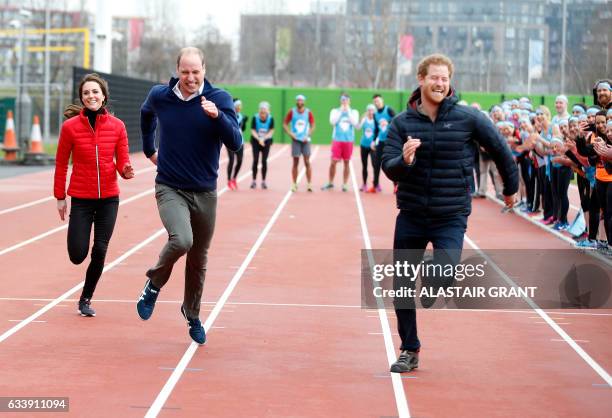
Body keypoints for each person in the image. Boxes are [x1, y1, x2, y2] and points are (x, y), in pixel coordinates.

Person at [381, 53, 518, 373]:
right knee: (401, 285)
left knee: (442, 271)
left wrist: (510, 188)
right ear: (421, 79)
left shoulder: (468, 118)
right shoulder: (402, 123)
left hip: (451, 214)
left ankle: (433, 282)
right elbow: (388, 167)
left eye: (445, 78)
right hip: (412, 213)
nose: (440, 83)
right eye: (434, 78)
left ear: (449, 82)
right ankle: (409, 349)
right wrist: (404, 161)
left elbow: (499, 148)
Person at [137, 47, 242, 344]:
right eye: (185, 72)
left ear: (204, 70)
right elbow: (146, 114)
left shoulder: (219, 99)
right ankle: (153, 285)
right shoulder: (161, 96)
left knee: (199, 257)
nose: (190, 77)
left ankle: (192, 313)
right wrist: (149, 149)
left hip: (205, 192)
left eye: (196, 72)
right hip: (170, 186)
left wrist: (217, 116)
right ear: (177, 71)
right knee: (182, 240)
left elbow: (235, 142)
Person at [54, 73, 134, 317]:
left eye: (95, 92)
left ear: (103, 96)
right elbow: (60, 164)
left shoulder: (118, 126)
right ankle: (82, 272)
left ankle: (86, 298)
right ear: (82, 97)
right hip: (81, 198)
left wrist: (126, 171)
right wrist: (60, 196)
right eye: (86, 92)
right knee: (78, 255)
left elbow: (123, 161)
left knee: (100, 249)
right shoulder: (70, 128)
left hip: (109, 198)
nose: (91, 96)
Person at [321, 93, 359, 192]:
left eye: (346, 100)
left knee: (347, 162)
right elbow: (332, 122)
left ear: (349, 101)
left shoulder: (354, 112)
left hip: (348, 140)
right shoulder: (335, 111)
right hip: (337, 140)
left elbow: (355, 124)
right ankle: (330, 182)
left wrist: (348, 112)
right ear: (340, 101)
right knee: (333, 162)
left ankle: (345, 184)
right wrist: (341, 111)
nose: (344, 102)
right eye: (343, 100)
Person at [283, 94, 315, 192]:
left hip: (305, 140)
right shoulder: (292, 112)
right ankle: (294, 184)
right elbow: (284, 124)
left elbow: (313, 125)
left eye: (301, 101)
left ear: (304, 102)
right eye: (298, 100)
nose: (300, 102)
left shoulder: (308, 112)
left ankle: (309, 183)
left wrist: (308, 135)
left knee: (307, 161)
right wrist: (290, 133)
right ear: (296, 102)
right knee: (295, 162)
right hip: (296, 140)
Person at [370, 94, 396, 193]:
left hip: (390, 141)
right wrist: (373, 140)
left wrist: (388, 122)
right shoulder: (375, 115)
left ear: (382, 101)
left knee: (392, 164)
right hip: (380, 141)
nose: (377, 103)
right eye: (375, 101)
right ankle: (375, 185)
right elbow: (376, 129)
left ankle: (396, 186)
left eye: (378, 101)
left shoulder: (389, 110)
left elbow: (397, 119)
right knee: (377, 164)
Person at [250, 101, 275, 189]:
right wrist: (259, 139)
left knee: (264, 161)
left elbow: (271, 131)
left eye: (264, 112)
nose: (263, 114)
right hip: (256, 140)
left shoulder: (271, 119)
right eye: (261, 111)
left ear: (268, 111)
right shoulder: (255, 117)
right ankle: (254, 181)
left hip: (266, 141)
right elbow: (252, 130)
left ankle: (263, 181)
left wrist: (263, 139)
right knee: (256, 160)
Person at [227, 98, 247, 190]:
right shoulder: (229, 115)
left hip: (240, 141)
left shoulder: (241, 116)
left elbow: (242, 129)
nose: (240, 107)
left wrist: (245, 123)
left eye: (240, 106)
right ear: (234, 106)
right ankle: (229, 180)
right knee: (231, 160)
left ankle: (234, 178)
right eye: (238, 106)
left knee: (239, 160)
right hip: (230, 140)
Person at [357, 104, 377, 192]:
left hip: (373, 147)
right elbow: (358, 128)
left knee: (374, 165)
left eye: (372, 110)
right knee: (364, 165)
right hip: (364, 145)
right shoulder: (364, 119)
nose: (371, 112)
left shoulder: (376, 120)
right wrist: (361, 119)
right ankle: (364, 184)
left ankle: (376, 183)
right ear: (367, 111)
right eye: (369, 110)